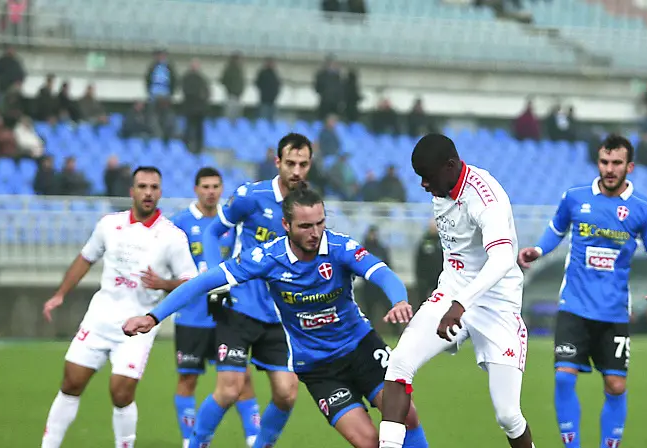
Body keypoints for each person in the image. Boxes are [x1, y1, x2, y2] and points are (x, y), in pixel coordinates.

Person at [123, 186, 430, 448]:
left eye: (320, 223)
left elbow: (383, 274)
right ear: (286, 224)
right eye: (305, 226)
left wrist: (399, 299)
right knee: (367, 442)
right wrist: (153, 316)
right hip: (318, 367)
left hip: (361, 346)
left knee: (407, 414)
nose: (315, 233)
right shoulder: (268, 258)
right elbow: (203, 282)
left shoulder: (339, 247)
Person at [517, 134, 647, 448]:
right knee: (564, 376)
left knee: (616, 385)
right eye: (604, 162)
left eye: (617, 163)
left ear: (630, 166)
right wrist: (537, 249)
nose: (609, 169)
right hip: (573, 304)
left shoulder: (642, 209)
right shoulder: (575, 198)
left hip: (613, 310)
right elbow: (555, 232)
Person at [379, 134, 535, 448]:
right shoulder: (442, 187)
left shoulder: (484, 196)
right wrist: (452, 298)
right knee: (398, 363)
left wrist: (461, 304)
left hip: (496, 304)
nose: (423, 185)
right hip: (451, 292)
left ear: (451, 166)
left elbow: (502, 258)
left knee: (507, 414)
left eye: (427, 177)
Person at [40, 167, 198, 448]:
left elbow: (191, 282)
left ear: (160, 192)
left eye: (153, 187)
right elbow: (86, 257)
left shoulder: (172, 236)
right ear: (132, 191)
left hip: (138, 325)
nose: (148, 192)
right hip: (100, 318)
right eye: (142, 186)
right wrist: (60, 294)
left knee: (121, 392)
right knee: (71, 383)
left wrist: (162, 283)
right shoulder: (109, 225)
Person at [184, 133, 312, 447]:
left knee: (287, 393)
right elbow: (214, 232)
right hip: (239, 306)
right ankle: (197, 442)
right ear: (277, 162)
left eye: (303, 164)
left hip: (280, 313)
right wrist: (218, 277)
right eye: (290, 163)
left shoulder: (309, 206)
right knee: (229, 389)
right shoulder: (250, 196)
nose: (296, 170)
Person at [169, 167, 260, 448]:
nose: (210, 191)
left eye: (215, 186)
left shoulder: (232, 223)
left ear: (222, 190)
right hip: (192, 316)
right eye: (205, 186)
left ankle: (253, 437)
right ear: (196, 189)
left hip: (227, 315)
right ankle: (190, 440)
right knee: (188, 378)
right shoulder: (179, 224)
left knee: (242, 377)